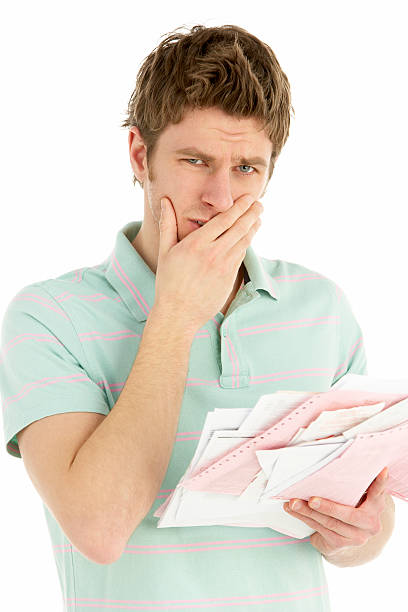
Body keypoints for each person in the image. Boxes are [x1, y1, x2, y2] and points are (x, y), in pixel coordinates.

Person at [0, 23, 395, 612]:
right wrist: (175, 315)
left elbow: (371, 525)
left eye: (247, 169)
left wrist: (357, 535)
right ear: (140, 155)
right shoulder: (50, 317)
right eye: (195, 160)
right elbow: (100, 530)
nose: (221, 197)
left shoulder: (322, 308)